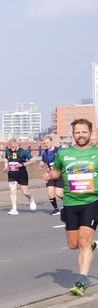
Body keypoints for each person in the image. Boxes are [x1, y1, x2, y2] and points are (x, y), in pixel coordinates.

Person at [50, 118, 98, 296]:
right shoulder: (63, 153)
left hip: (92, 201)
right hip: (70, 202)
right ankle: (91, 245)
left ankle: (81, 280)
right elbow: (57, 171)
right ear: (73, 134)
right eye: (77, 132)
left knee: (83, 241)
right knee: (73, 244)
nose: (81, 135)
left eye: (84, 132)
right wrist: (50, 175)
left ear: (90, 133)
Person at [3, 137, 37, 215]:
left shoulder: (23, 152)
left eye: (13, 146)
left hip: (22, 173)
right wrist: (5, 167)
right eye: (10, 146)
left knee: (25, 192)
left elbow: (33, 160)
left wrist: (22, 164)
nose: (12, 148)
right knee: (12, 191)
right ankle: (14, 209)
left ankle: (31, 199)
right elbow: (6, 160)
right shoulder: (8, 151)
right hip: (12, 174)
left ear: (16, 144)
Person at [39, 134, 64, 216]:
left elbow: (64, 159)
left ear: (51, 142)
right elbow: (43, 161)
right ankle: (56, 209)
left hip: (59, 174)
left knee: (59, 193)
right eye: (45, 143)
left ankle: (68, 203)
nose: (46, 145)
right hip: (50, 175)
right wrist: (40, 165)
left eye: (47, 143)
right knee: (50, 193)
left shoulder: (59, 150)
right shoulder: (44, 153)